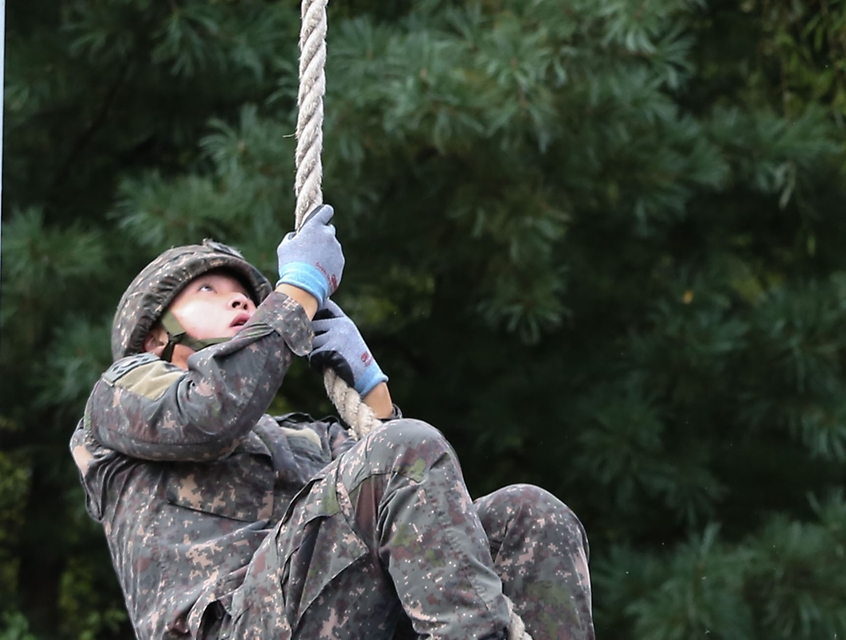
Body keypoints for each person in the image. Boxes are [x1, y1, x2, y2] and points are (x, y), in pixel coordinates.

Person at [70, 205, 594, 640]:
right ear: (153, 336)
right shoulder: (120, 394)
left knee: (527, 514)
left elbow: (409, 508)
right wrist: (298, 289)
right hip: (227, 629)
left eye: (247, 296)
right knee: (399, 452)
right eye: (207, 290)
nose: (239, 299)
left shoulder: (299, 437)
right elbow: (209, 411)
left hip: (315, 616)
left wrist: (372, 389)